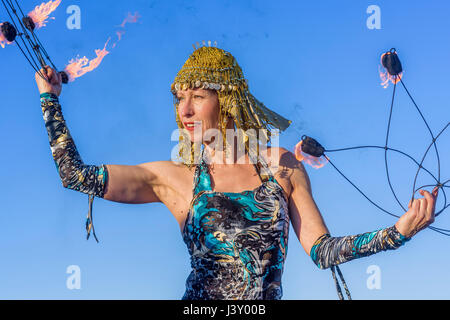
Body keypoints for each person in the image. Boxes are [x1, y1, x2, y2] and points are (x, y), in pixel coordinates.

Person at [35, 44, 438, 300]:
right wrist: (49, 100)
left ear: (226, 99)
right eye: (180, 98)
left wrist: (395, 235)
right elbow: (75, 176)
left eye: (197, 96)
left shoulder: (282, 166)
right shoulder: (178, 179)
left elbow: (322, 251)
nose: (185, 110)